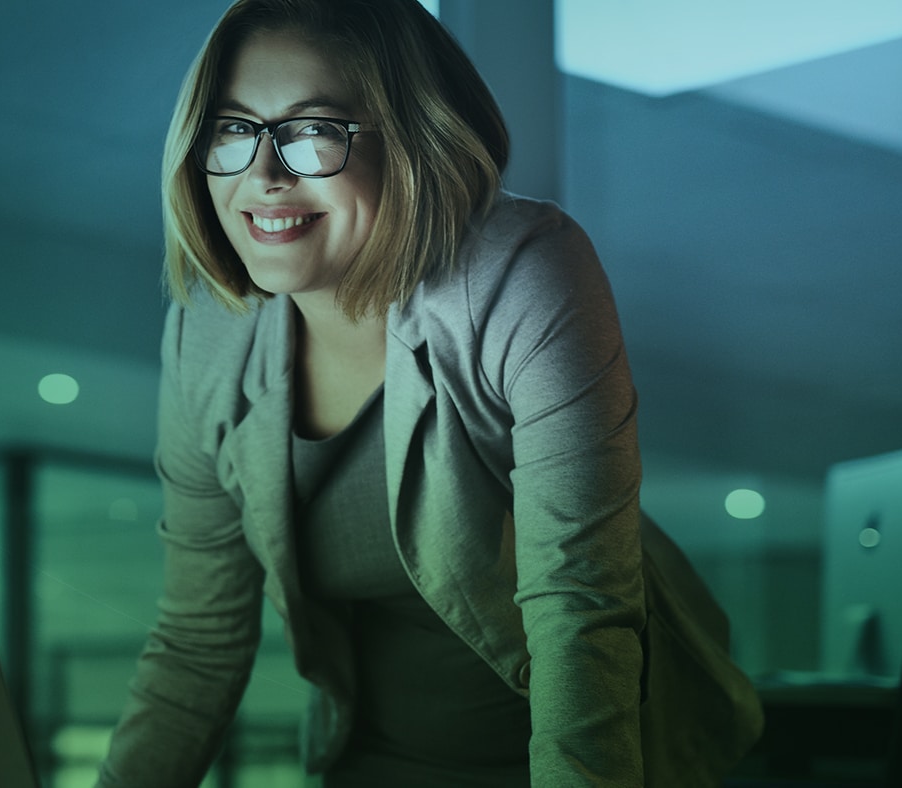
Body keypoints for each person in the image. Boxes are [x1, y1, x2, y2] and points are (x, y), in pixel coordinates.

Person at [97, 1, 763, 785]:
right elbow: (196, 642)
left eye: (313, 130)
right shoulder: (206, 333)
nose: (263, 175)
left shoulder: (523, 273)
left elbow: (579, 610)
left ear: (411, 137)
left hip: (601, 756)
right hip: (376, 761)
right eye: (234, 129)